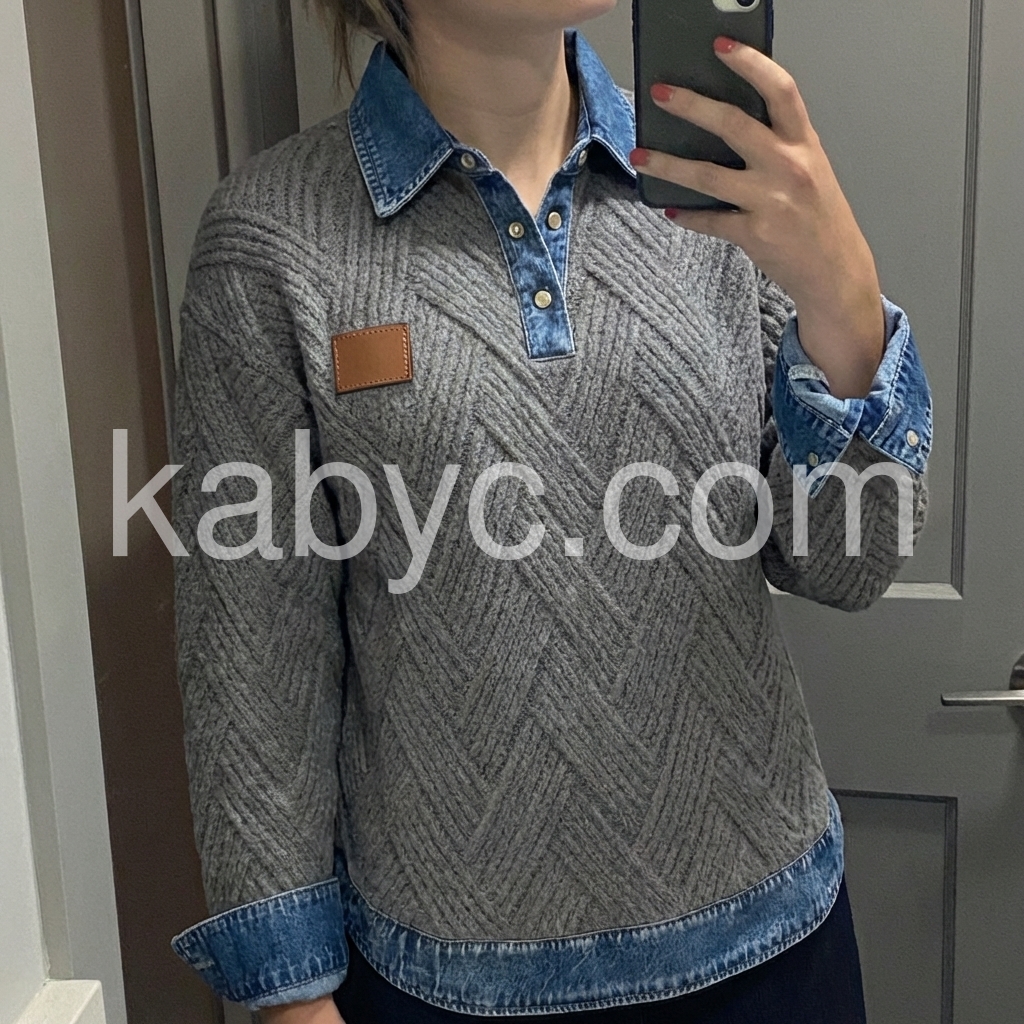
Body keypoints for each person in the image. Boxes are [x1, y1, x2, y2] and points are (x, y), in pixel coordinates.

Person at [169, 1, 932, 1022]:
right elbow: (253, 646)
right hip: (450, 981)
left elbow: (845, 563)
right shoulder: (274, 236)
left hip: (770, 948)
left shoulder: (719, 185)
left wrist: (843, 300)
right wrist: (290, 996)